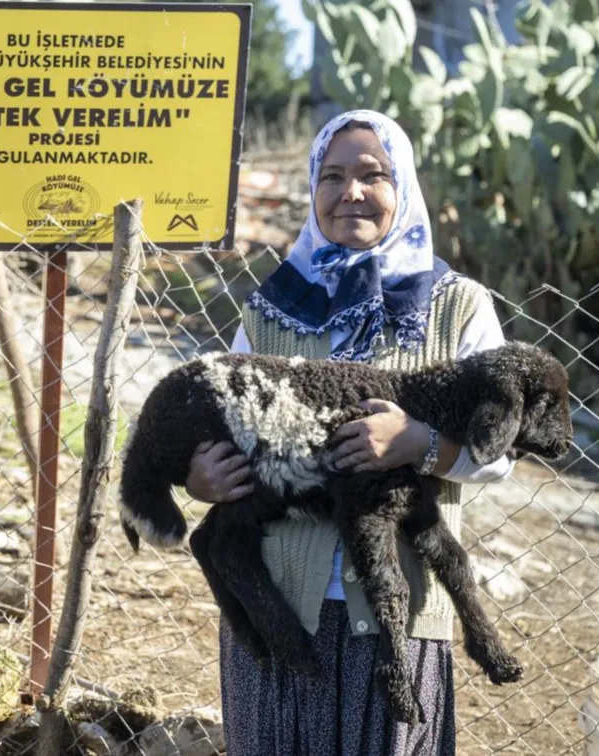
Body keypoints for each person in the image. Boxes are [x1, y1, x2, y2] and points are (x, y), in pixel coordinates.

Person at [185, 109, 514, 754]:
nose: (350, 193)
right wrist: (201, 478)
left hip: (398, 614)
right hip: (277, 606)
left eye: (373, 175)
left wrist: (420, 443)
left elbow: (500, 454)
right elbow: (217, 430)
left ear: (404, 186)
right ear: (313, 188)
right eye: (331, 177)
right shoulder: (273, 309)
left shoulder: (458, 309)